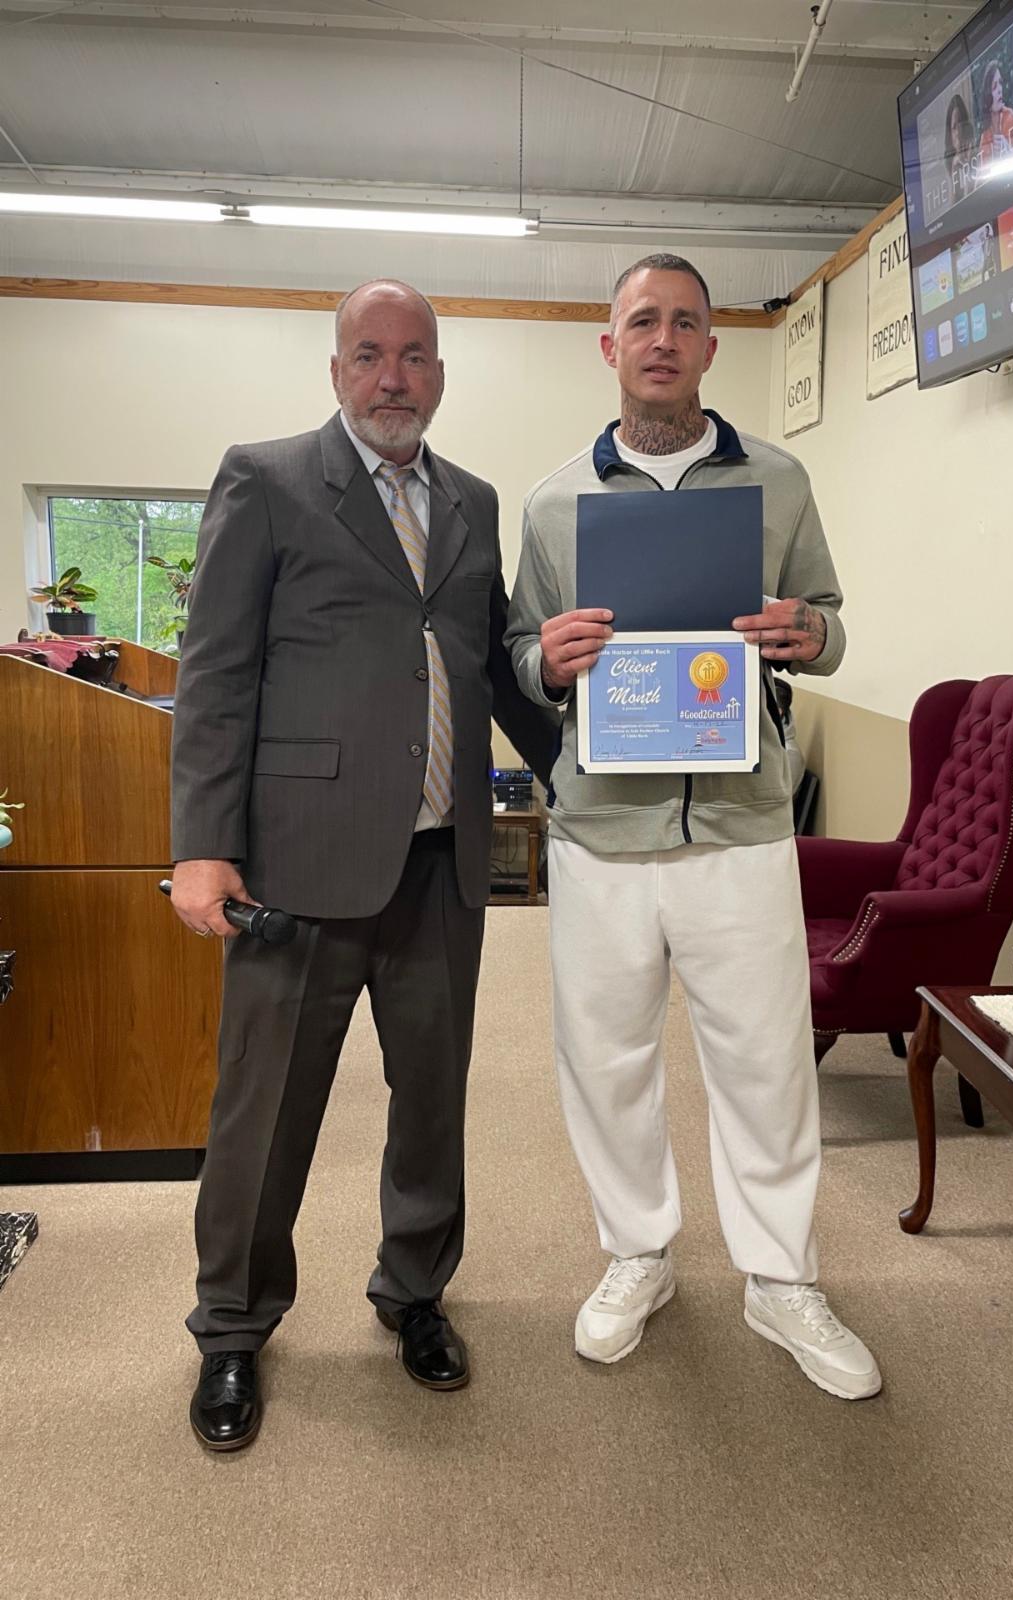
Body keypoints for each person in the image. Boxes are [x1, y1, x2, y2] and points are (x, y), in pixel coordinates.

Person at [170, 279, 557, 1450]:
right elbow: (216, 672)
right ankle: (234, 1324)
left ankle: (415, 1290)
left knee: (432, 1101)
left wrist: (587, 762)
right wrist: (202, 845)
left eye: (416, 356)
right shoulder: (269, 479)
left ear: (440, 373)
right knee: (265, 1110)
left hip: (442, 864)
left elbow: (486, 657)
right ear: (337, 369)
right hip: (297, 866)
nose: (395, 376)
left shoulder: (473, 500)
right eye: (371, 354)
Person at [505, 254, 881, 1402]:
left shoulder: (779, 480)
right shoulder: (555, 502)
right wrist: (544, 659)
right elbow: (520, 652)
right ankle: (639, 1254)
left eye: (684, 322)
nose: (662, 339)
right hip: (601, 836)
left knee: (766, 1063)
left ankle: (781, 1277)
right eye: (642, 321)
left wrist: (809, 636)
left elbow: (829, 624)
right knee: (606, 1060)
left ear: (713, 346)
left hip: (740, 825)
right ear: (609, 346)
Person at [977, 59, 1013, 167]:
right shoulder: (984, 137)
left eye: (1000, 83)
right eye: (994, 87)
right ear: (987, 94)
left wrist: (1008, 151)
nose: (1000, 90)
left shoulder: (1010, 116)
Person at [944, 92, 977, 201]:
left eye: (961, 124)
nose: (958, 132)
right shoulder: (949, 167)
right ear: (950, 135)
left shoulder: (977, 154)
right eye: (954, 127)